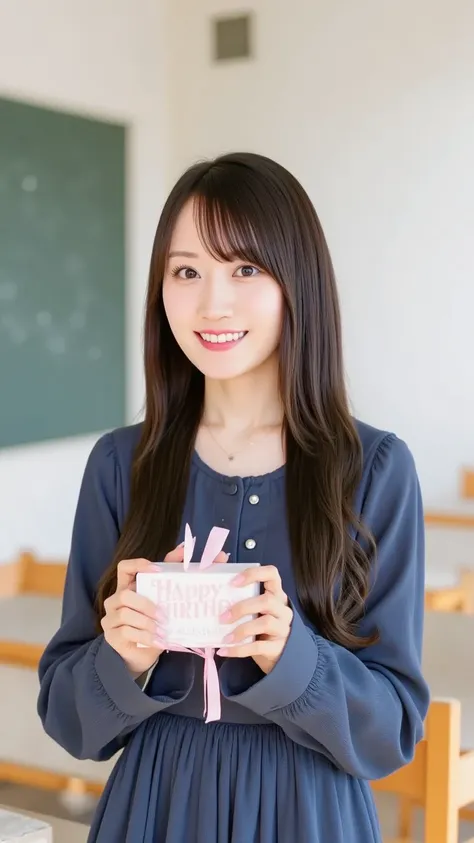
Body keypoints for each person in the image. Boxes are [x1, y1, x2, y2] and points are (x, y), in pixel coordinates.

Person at [37, 152, 430, 843]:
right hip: (154, 808)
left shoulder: (373, 468)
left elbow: (393, 729)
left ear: (295, 282)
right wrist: (120, 657)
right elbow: (71, 723)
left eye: (245, 269)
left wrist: (294, 656)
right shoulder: (120, 465)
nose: (212, 302)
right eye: (186, 270)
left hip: (312, 815)